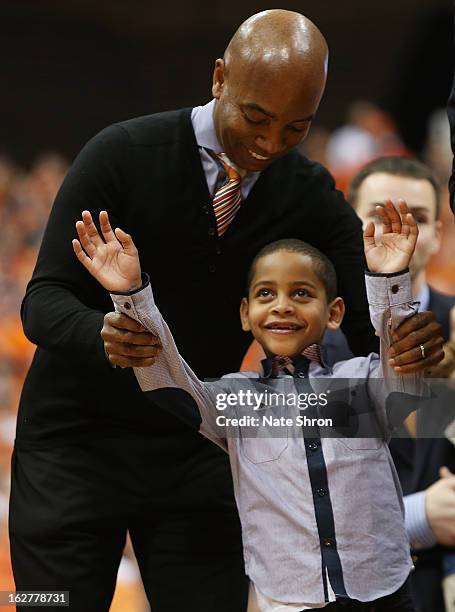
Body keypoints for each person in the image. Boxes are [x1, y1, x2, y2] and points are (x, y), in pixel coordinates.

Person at [10, 10, 443, 612]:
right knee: (46, 605)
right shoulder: (121, 153)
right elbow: (42, 302)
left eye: (296, 128)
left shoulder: (309, 193)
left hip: (199, 444)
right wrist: (100, 332)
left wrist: (406, 332)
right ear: (219, 78)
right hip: (72, 447)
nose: (269, 143)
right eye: (256, 118)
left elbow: (370, 328)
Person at [72, 201, 422, 611]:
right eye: (265, 294)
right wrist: (130, 295)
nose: (282, 305)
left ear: (335, 313)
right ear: (246, 314)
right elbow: (170, 380)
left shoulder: (362, 381)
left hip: (385, 592)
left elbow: (407, 379)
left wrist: (390, 279)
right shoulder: (235, 401)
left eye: (302, 293)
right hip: (292, 601)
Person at [325, 156, 455, 612]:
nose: (399, 228)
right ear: (350, 224)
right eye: (379, 215)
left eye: (417, 217)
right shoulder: (308, 344)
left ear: (438, 233)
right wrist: (419, 516)